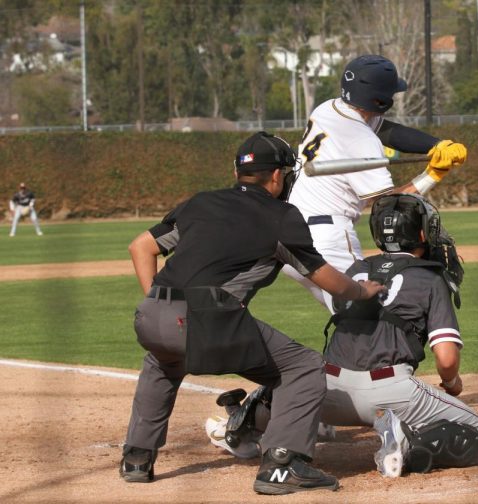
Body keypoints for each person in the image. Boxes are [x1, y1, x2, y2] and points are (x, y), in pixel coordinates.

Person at [119, 131, 385, 496]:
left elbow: (141, 247)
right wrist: (362, 290)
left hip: (151, 315)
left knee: (163, 362)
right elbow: (330, 282)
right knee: (304, 367)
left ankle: (137, 457)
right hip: (206, 317)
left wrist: (160, 303)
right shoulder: (281, 216)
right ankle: (282, 464)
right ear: (277, 176)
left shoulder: (200, 202)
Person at [204, 193, 478, 478]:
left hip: (326, 390)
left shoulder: (357, 268)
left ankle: (240, 428)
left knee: (293, 381)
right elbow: (447, 360)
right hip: (389, 392)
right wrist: (452, 383)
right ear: (423, 234)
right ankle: (408, 445)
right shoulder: (430, 277)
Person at [282, 54, 467, 313]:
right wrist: (433, 175)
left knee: (351, 321)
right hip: (327, 240)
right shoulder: (362, 140)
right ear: (379, 100)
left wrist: (436, 144)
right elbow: (389, 208)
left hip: (288, 232)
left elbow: (389, 130)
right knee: (375, 315)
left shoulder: (327, 108)